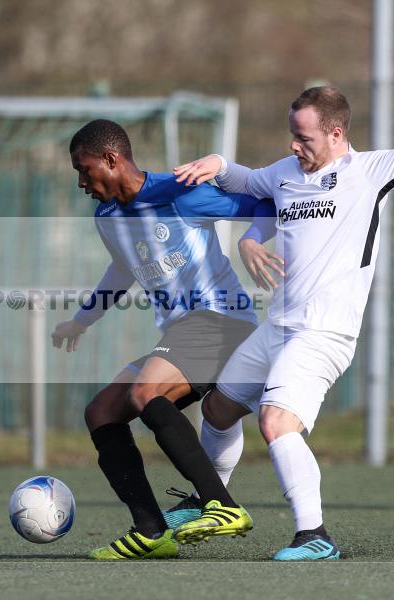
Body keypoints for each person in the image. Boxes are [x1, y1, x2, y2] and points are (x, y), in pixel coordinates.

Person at [172, 39, 394, 560]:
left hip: (325, 332)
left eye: (304, 136)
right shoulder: (286, 173)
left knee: (276, 421)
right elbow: (252, 182)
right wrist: (220, 167)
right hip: (280, 325)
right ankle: (209, 501)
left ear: (336, 133)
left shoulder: (370, 172)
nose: (295, 145)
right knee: (219, 409)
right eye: (291, 135)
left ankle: (314, 535)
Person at [51, 119, 283, 559]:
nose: (81, 182)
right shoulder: (106, 216)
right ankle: (151, 529)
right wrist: (82, 321)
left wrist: (251, 241)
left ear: (111, 159)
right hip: (183, 333)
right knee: (101, 412)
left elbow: (265, 205)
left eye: (84, 169)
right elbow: (122, 269)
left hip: (221, 322)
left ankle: (222, 506)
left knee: (145, 391)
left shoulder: (180, 192)